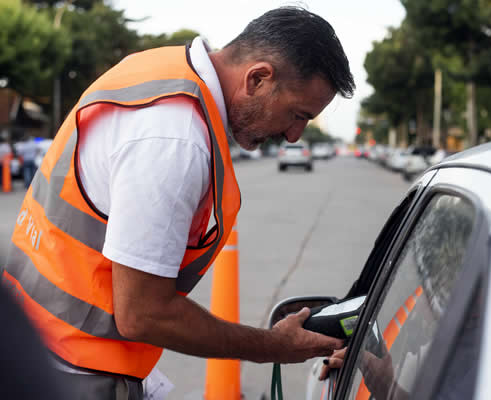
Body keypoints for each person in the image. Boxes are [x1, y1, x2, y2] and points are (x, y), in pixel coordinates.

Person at [2, 6, 354, 400]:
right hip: (74, 373)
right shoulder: (176, 138)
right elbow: (143, 314)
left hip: (37, 344)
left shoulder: (158, 67)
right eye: (297, 114)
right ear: (258, 78)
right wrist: (275, 346)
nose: (293, 137)